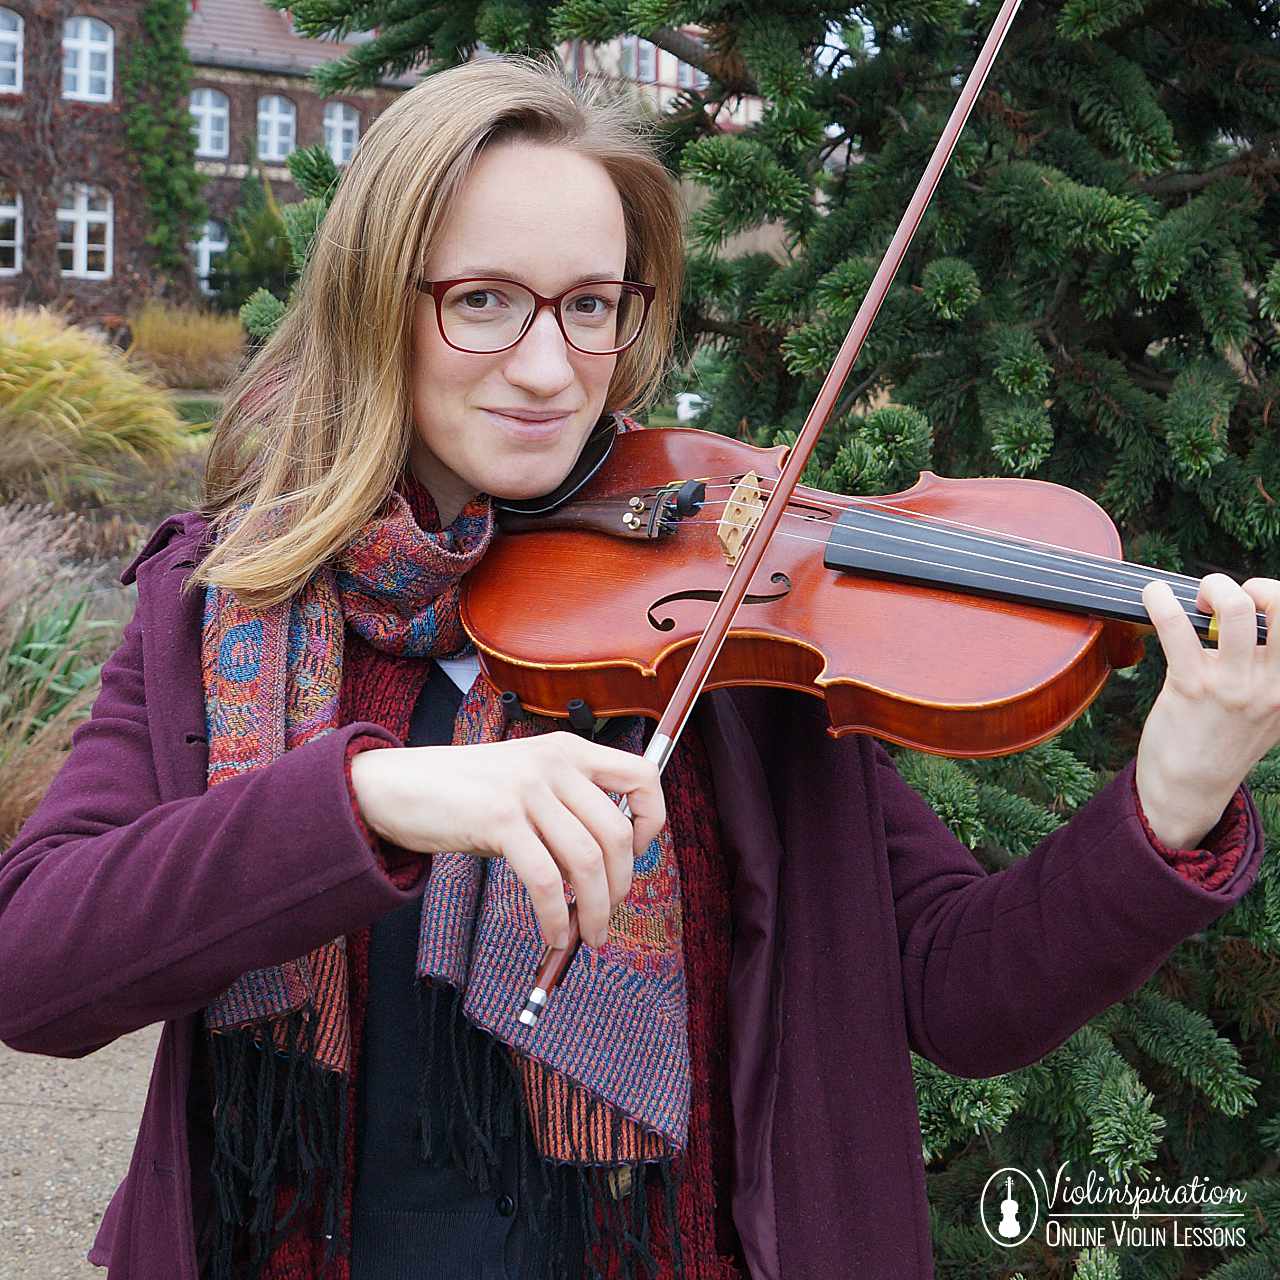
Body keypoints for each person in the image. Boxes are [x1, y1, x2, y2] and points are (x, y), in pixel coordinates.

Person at [0, 52, 1275, 1280]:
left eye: (591, 304)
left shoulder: (723, 632)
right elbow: (37, 959)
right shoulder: (222, 599)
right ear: (373, 297)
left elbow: (960, 987)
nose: (551, 368)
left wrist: (1171, 793)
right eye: (481, 300)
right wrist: (373, 798)